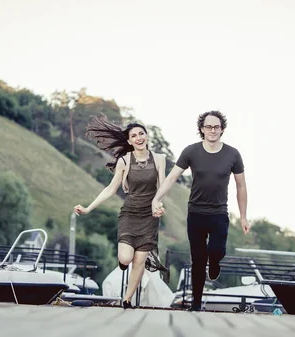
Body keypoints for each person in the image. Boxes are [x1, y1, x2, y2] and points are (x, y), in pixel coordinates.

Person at [151, 110, 250, 312]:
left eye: (216, 127)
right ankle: (196, 304)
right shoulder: (191, 151)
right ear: (202, 129)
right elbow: (171, 178)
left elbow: (241, 186)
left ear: (222, 129)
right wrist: (156, 198)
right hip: (196, 213)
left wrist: (243, 216)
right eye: (208, 127)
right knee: (197, 260)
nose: (212, 130)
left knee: (216, 251)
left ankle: (215, 264)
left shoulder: (233, 154)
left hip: (219, 214)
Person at [73, 115, 169, 309]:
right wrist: (88, 208)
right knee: (126, 258)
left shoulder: (159, 159)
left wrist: (158, 205)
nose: (139, 137)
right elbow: (110, 189)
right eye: (134, 135)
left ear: (147, 136)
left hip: (149, 217)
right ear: (129, 141)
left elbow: (162, 187)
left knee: (140, 261)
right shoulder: (124, 161)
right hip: (130, 214)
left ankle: (127, 299)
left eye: (141, 133)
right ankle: (124, 263)